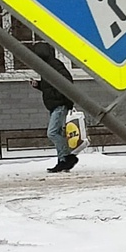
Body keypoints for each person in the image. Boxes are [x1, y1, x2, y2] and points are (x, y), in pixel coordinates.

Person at [34, 43, 79, 173]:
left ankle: (68, 158)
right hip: (55, 104)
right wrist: (39, 85)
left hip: (59, 104)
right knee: (58, 133)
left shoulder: (54, 65)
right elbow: (50, 86)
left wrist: (58, 96)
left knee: (52, 132)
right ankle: (62, 161)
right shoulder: (47, 66)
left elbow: (66, 81)